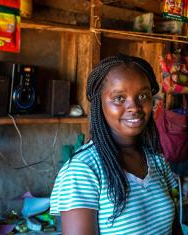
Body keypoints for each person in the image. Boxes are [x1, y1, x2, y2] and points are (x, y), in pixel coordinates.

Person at [50, 54, 179, 235]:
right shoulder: (83, 170)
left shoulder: (156, 160)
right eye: (119, 98)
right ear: (99, 103)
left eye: (143, 95)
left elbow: (174, 229)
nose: (134, 107)